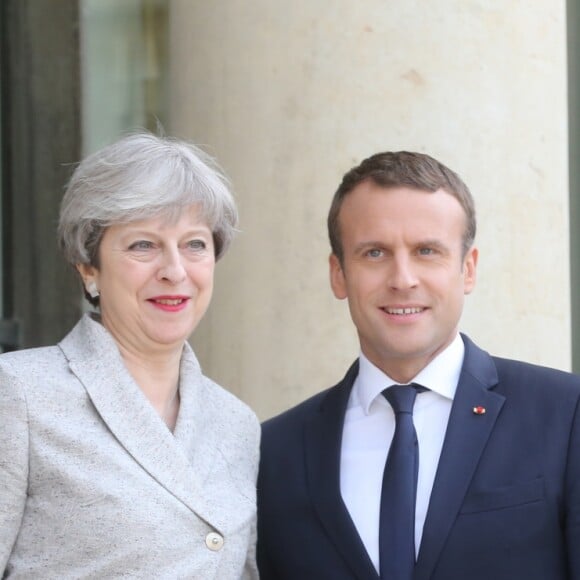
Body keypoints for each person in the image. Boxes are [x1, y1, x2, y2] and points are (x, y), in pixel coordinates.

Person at [257, 151, 580, 580]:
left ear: (468, 269)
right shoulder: (275, 452)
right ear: (339, 274)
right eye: (374, 253)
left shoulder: (565, 413)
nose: (403, 279)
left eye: (427, 251)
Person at [0, 132, 260, 579]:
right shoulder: (19, 394)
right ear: (89, 267)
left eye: (195, 244)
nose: (175, 271)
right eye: (144, 245)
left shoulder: (237, 424)